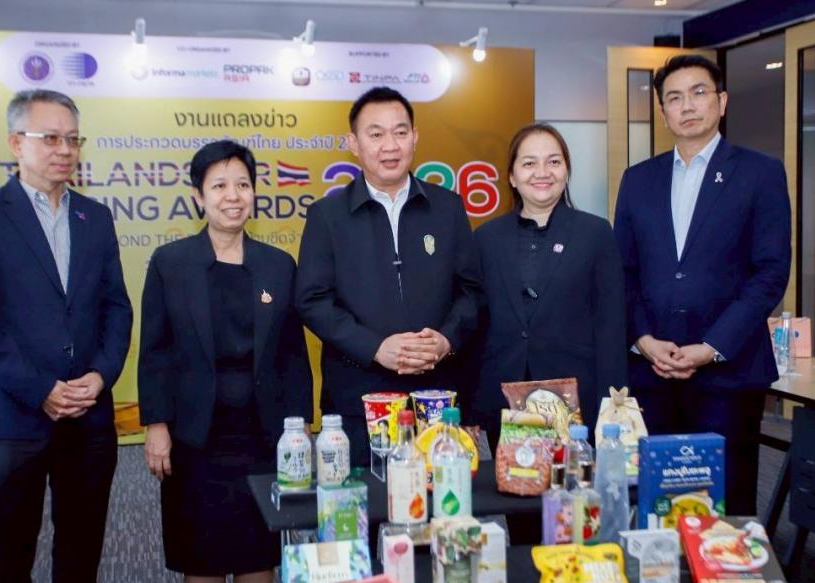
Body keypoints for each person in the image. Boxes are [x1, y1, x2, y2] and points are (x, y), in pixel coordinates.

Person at [0, 89, 132, 583]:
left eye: (72, 139)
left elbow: (116, 307)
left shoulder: (95, 217)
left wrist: (101, 375)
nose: (64, 150)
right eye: (50, 137)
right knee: (12, 548)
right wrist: (40, 388)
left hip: (89, 414)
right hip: (17, 415)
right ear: (15, 143)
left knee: (82, 547)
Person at [139, 140, 312, 583]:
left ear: (254, 193)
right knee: (202, 549)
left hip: (263, 432)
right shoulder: (170, 263)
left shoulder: (277, 265)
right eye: (218, 186)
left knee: (258, 547)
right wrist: (156, 425)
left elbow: (293, 356)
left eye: (242, 185)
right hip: (195, 433)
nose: (232, 196)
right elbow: (155, 350)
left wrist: (299, 429)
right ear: (199, 196)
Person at [614, 55, 791, 517]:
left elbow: (770, 272)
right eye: (674, 98)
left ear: (722, 101)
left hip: (728, 374)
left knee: (725, 506)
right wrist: (643, 339)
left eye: (698, 92)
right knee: (655, 503)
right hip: (651, 372)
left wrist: (712, 347)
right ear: (663, 112)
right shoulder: (638, 180)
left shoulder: (760, 173)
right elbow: (623, 271)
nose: (687, 105)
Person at [295, 86, 482, 465]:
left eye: (400, 132)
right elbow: (312, 301)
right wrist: (375, 347)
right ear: (353, 143)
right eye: (376, 134)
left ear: (415, 137)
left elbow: (473, 291)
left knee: (441, 497)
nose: (390, 146)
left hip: (437, 398)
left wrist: (446, 339)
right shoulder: (327, 216)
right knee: (362, 499)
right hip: (358, 399)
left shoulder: (447, 208)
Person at [471, 122, 627, 452]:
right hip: (503, 395)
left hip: (576, 398)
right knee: (514, 480)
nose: (542, 172)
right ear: (512, 176)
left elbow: (611, 324)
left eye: (553, 162)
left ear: (566, 170)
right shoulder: (486, 238)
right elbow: (476, 323)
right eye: (529, 163)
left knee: (571, 481)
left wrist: (612, 402)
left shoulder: (595, 233)